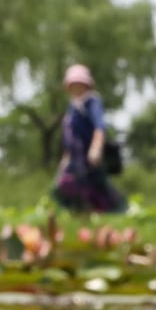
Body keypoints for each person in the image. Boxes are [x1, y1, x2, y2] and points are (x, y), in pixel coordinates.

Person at [53, 64, 126, 214]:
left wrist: (96, 148)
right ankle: (78, 214)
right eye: (73, 84)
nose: (76, 87)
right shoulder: (72, 106)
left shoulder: (92, 102)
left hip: (90, 156)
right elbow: (69, 133)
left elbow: (99, 127)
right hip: (75, 158)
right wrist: (65, 157)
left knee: (100, 187)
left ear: (86, 84)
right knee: (64, 186)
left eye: (79, 84)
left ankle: (118, 213)